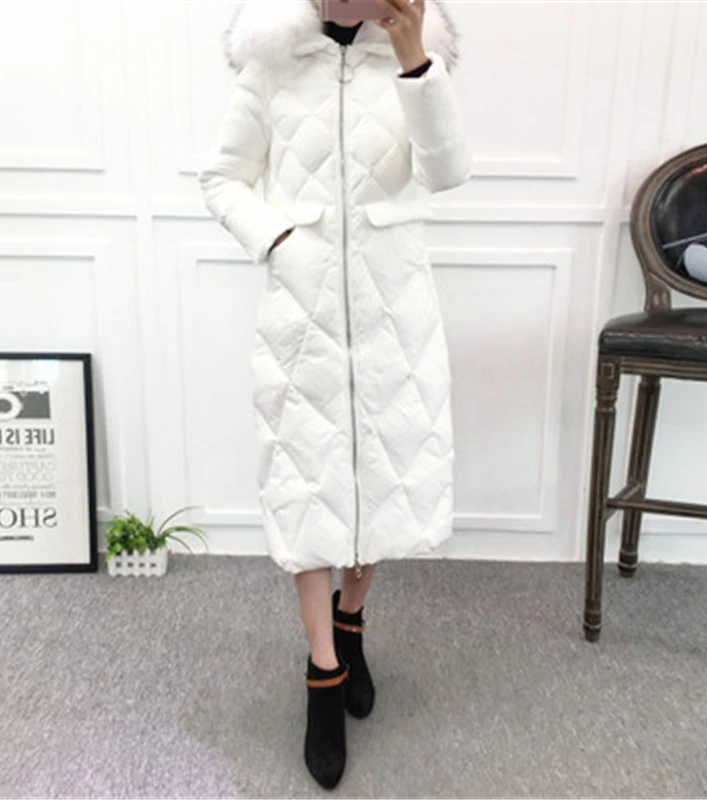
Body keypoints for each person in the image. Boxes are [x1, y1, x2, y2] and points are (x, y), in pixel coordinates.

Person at [198, 0, 469, 788]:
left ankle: (352, 620)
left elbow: (446, 172)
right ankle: (323, 670)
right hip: (303, 313)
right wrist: (280, 242)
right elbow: (222, 179)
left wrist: (415, 60)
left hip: (395, 312)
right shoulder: (273, 60)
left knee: (381, 475)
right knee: (306, 482)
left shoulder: (413, 61)